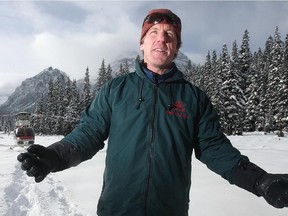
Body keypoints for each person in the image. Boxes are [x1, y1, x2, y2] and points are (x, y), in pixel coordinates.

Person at [17, 9, 288, 216]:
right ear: (143, 44)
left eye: (169, 35)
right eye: (154, 34)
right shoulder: (116, 90)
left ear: (176, 47)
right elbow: (88, 134)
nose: (161, 40)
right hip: (116, 209)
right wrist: (54, 157)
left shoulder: (193, 98)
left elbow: (215, 149)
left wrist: (260, 181)